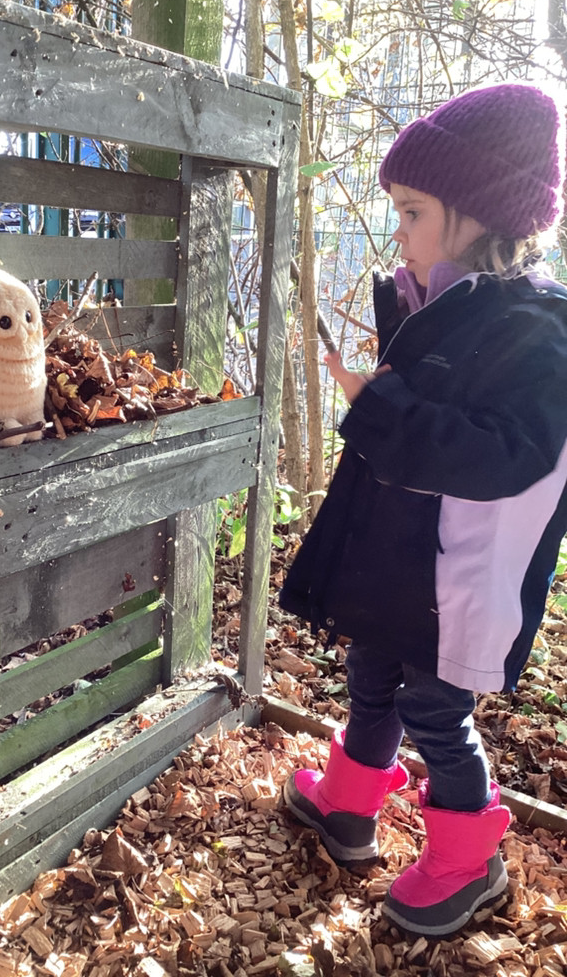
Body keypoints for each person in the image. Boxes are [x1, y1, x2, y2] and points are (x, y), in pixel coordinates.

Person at [279, 82, 567, 937]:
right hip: (398, 557)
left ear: (480, 215)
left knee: (437, 709)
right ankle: (350, 804)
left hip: (460, 576)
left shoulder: (540, 333)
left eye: (412, 212)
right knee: (371, 671)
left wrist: (381, 407)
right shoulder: (442, 304)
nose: (398, 232)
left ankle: (468, 860)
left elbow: (505, 455)